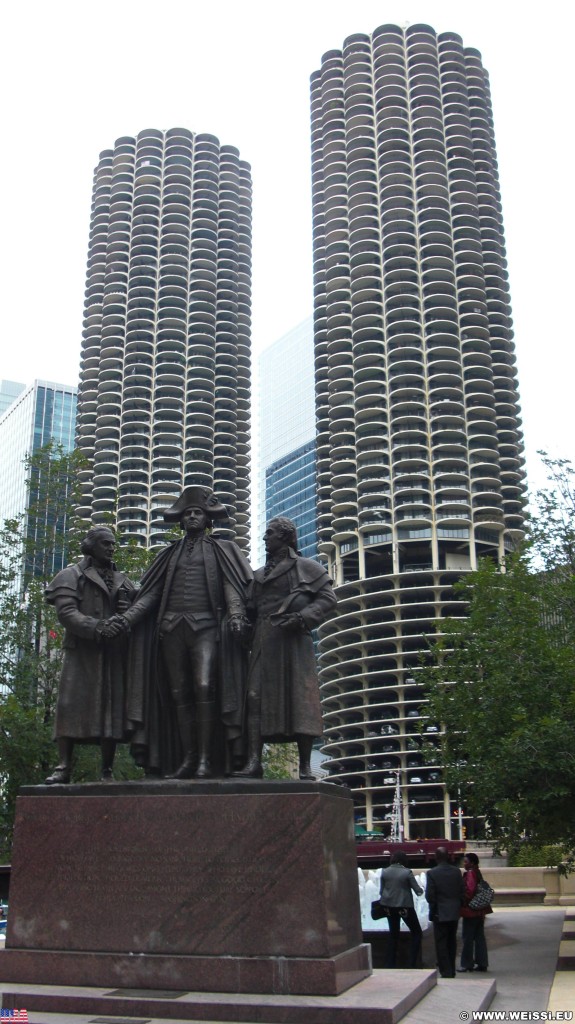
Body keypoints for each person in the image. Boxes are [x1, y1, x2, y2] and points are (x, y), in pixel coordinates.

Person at [117, 486, 252, 779]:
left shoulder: (222, 549)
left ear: (208, 520)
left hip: (205, 627)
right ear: (181, 520)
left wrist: (237, 614)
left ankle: (205, 758)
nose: (192, 517)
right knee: (178, 693)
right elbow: (151, 595)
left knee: (204, 686)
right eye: (188, 513)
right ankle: (188, 758)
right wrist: (127, 619)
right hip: (170, 628)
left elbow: (231, 585)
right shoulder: (168, 555)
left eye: (198, 513)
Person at [234, 516, 337, 780]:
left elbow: (327, 599)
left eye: (270, 533)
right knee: (254, 696)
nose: (265, 537)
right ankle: (254, 761)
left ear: (285, 536)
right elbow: (249, 608)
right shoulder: (257, 575)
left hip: (292, 641)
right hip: (262, 639)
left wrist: (303, 617)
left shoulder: (307, 567)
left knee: (300, 700)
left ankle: (304, 767)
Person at [44, 527, 136, 784]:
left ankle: (107, 768)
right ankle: (63, 766)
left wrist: (124, 619)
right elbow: (66, 613)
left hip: (112, 654)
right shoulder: (70, 575)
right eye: (106, 544)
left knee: (111, 709)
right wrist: (98, 627)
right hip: (81, 653)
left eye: (113, 544)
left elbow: (137, 609)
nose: (111, 548)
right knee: (70, 705)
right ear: (91, 546)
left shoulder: (123, 580)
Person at [378, 851, 423, 968]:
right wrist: (421, 890)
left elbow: (381, 891)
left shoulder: (384, 872)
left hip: (389, 907)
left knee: (393, 934)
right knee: (416, 932)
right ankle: (412, 963)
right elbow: (418, 890)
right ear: (404, 860)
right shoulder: (407, 872)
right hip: (404, 907)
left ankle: (390, 964)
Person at [425, 846, 465, 978]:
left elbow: (430, 896)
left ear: (436, 858)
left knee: (441, 943)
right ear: (448, 857)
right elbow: (461, 891)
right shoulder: (456, 872)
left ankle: (446, 970)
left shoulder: (432, 873)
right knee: (452, 941)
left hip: (440, 913)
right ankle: (451, 969)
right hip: (454, 912)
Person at [457, 852, 492, 972]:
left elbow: (470, 890)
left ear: (471, 863)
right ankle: (482, 962)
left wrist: (463, 900)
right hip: (480, 910)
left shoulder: (471, 874)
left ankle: (466, 964)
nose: (464, 864)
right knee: (479, 937)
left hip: (471, 910)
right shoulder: (477, 872)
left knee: (467, 937)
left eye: (466, 862)